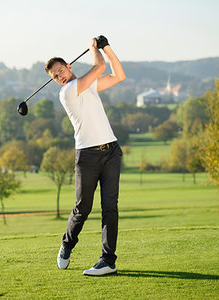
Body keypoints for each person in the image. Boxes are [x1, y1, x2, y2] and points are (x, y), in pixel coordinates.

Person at [45, 35, 126, 276]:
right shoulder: (68, 92)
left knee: (110, 208)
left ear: (69, 66)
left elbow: (119, 75)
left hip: (111, 151)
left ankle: (108, 260)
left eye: (61, 70)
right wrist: (95, 48)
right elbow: (99, 66)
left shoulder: (87, 84)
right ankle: (67, 245)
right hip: (88, 157)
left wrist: (108, 48)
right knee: (83, 208)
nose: (60, 77)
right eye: (55, 77)